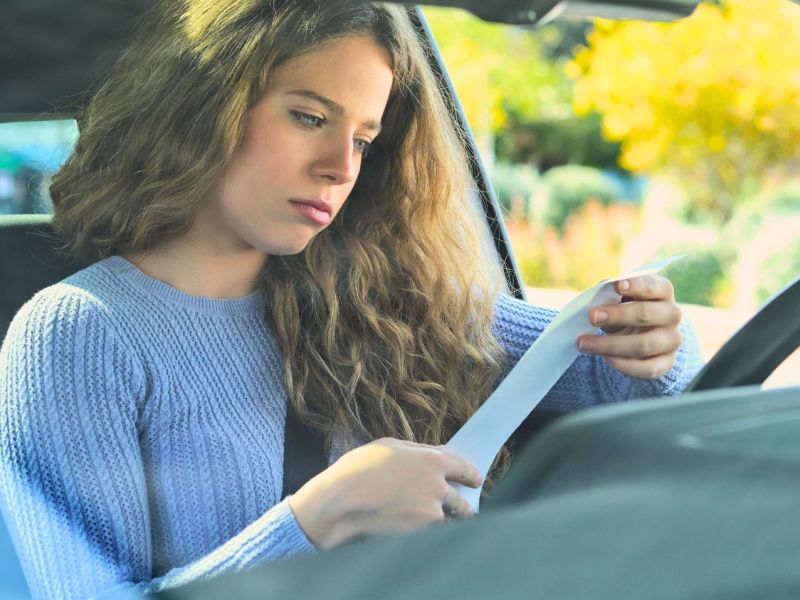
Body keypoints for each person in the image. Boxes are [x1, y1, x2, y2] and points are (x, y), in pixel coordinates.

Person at [0, 1, 702, 598]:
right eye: (309, 117)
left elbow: (604, 367)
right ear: (203, 105)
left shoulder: (376, 294)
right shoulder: (80, 333)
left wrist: (656, 340)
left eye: (363, 140)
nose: (341, 168)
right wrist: (315, 523)